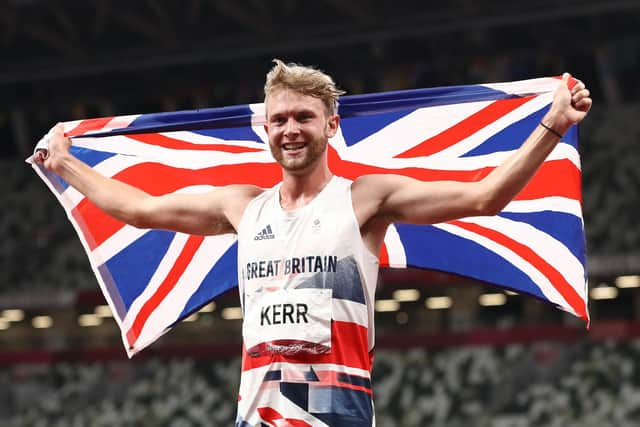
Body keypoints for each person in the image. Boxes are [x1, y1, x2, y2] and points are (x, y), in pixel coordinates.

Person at [36, 60, 592, 426]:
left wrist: (552, 126)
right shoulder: (241, 207)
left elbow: (484, 198)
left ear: (331, 125)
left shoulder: (366, 199)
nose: (290, 129)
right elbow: (138, 208)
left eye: (304, 116)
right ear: (265, 130)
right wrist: (65, 165)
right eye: (279, 119)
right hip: (257, 415)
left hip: (335, 412)